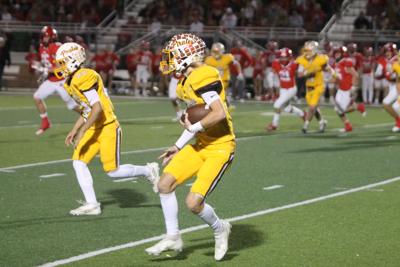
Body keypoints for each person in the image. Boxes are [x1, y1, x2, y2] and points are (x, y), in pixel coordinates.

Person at [145, 33, 235, 261]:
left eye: (173, 55)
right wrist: (178, 145)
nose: (169, 59)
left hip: (221, 147)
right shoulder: (184, 83)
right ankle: (173, 236)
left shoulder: (203, 74)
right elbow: (194, 121)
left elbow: (218, 113)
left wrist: (193, 129)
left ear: (186, 56)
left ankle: (219, 228)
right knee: (164, 185)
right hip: (201, 144)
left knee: (193, 203)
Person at [54, 42, 160, 215]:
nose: (60, 66)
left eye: (63, 62)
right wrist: (75, 129)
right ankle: (92, 204)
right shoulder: (71, 81)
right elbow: (87, 110)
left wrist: (81, 131)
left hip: (108, 127)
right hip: (94, 127)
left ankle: (148, 170)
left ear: (74, 60)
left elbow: (97, 108)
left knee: (113, 172)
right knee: (78, 162)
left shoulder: (84, 76)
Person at [32, 26, 79, 135]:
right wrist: (38, 66)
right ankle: (46, 122)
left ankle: (88, 116)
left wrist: (45, 70)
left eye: (45, 36)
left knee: (71, 105)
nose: (43, 38)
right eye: (42, 36)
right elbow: (46, 64)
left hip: (62, 80)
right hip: (51, 80)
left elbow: (61, 67)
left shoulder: (57, 47)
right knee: (37, 97)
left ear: (52, 37)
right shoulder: (41, 47)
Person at [296, 40, 332, 134]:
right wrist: (308, 74)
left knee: (312, 108)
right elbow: (299, 75)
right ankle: (322, 122)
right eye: (306, 50)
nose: (306, 52)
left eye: (308, 50)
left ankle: (305, 126)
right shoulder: (303, 60)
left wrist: (333, 75)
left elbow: (328, 69)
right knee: (314, 108)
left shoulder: (321, 59)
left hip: (318, 86)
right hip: (309, 88)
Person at [266, 47, 305, 131]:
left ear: (289, 57)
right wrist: (271, 84)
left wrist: (301, 70)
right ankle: (302, 113)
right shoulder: (276, 63)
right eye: (281, 57)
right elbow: (271, 74)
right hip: (283, 89)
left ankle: (274, 124)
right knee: (286, 108)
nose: (283, 59)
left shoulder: (294, 64)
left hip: (291, 89)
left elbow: (302, 70)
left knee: (277, 105)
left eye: (285, 57)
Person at [332, 46, 365, 132]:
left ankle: (358, 107)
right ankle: (348, 125)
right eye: (336, 53)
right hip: (341, 89)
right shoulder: (337, 63)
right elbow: (339, 77)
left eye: (338, 53)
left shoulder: (346, 62)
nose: (336, 55)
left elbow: (356, 75)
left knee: (341, 109)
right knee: (337, 109)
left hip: (347, 90)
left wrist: (353, 88)